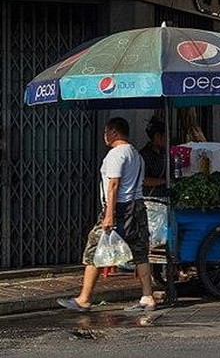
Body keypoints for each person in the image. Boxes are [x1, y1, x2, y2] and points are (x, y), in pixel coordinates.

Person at [58, 117, 156, 314]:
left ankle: (84, 299)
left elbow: (113, 185)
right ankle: (148, 296)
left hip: (119, 207)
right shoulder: (136, 154)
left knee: (94, 249)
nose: (104, 136)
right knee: (139, 251)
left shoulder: (116, 154)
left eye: (106, 132)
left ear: (114, 132)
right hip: (136, 206)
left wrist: (109, 215)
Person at [140, 117, 168, 199]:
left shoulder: (164, 153)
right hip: (151, 199)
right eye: (165, 136)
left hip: (164, 197)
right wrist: (165, 181)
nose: (167, 139)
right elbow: (143, 180)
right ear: (157, 136)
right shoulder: (145, 155)